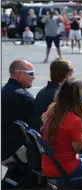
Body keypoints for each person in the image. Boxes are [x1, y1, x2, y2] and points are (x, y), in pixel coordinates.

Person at [41, 77, 82, 188]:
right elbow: (79, 147)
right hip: (64, 169)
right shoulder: (73, 119)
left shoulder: (53, 109)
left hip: (50, 165)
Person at [1, 59, 37, 188]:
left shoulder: (4, 90)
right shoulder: (23, 96)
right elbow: (39, 124)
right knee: (50, 158)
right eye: (31, 73)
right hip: (12, 150)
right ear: (19, 74)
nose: (34, 77)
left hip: (4, 147)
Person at [31, 58, 74, 131]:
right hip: (49, 136)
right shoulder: (60, 95)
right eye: (72, 73)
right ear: (67, 74)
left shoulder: (44, 91)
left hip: (39, 133)